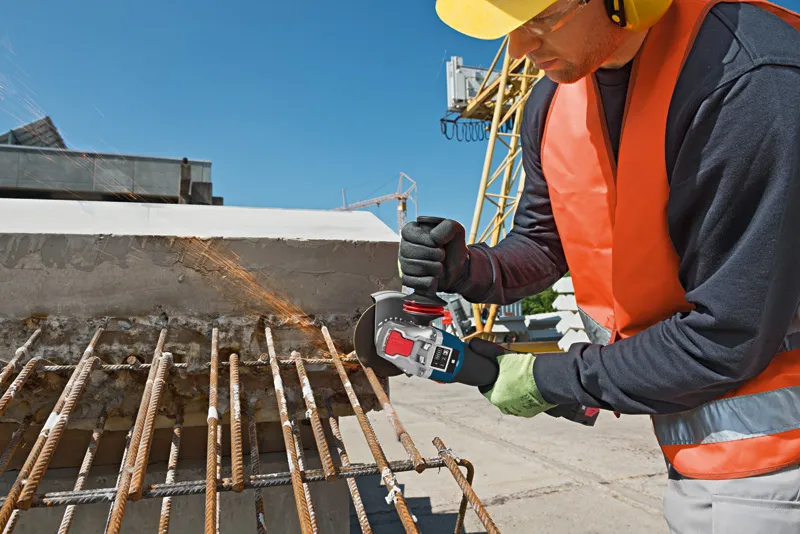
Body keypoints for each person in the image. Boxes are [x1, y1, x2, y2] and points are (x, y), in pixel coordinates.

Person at [398, 0, 800, 531]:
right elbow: (544, 242)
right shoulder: (552, 103)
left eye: (540, 20)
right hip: (698, 446)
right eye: (510, 29)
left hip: (783, 459)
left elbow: (727, 335)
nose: (519, 49)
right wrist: (468, 269)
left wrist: (553, 378)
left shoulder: (750, 80)